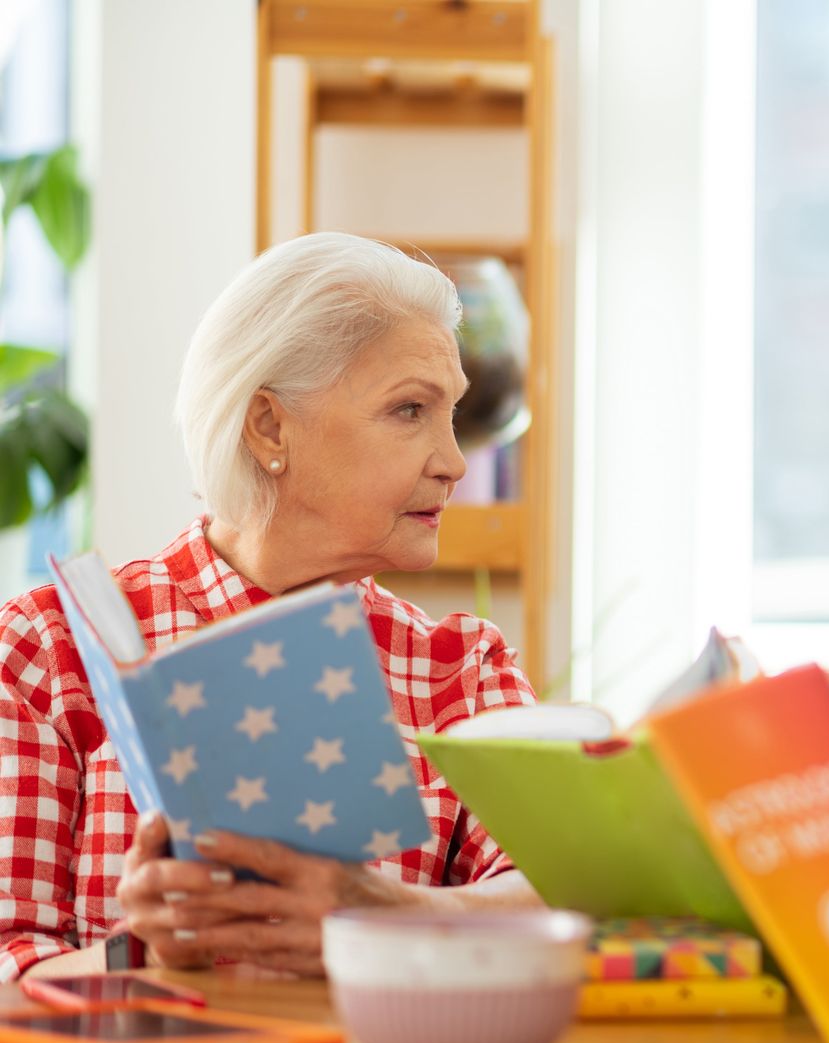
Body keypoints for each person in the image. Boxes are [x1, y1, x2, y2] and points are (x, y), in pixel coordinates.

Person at [0, 232, 541, 981]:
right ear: (269, 427)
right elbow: (9, 961)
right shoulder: (47, 646)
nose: (453, 461)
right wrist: (146, 952)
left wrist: (391, 912)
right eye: (411, 410)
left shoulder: (462, 671)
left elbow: (562, 899)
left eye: (451, 415)